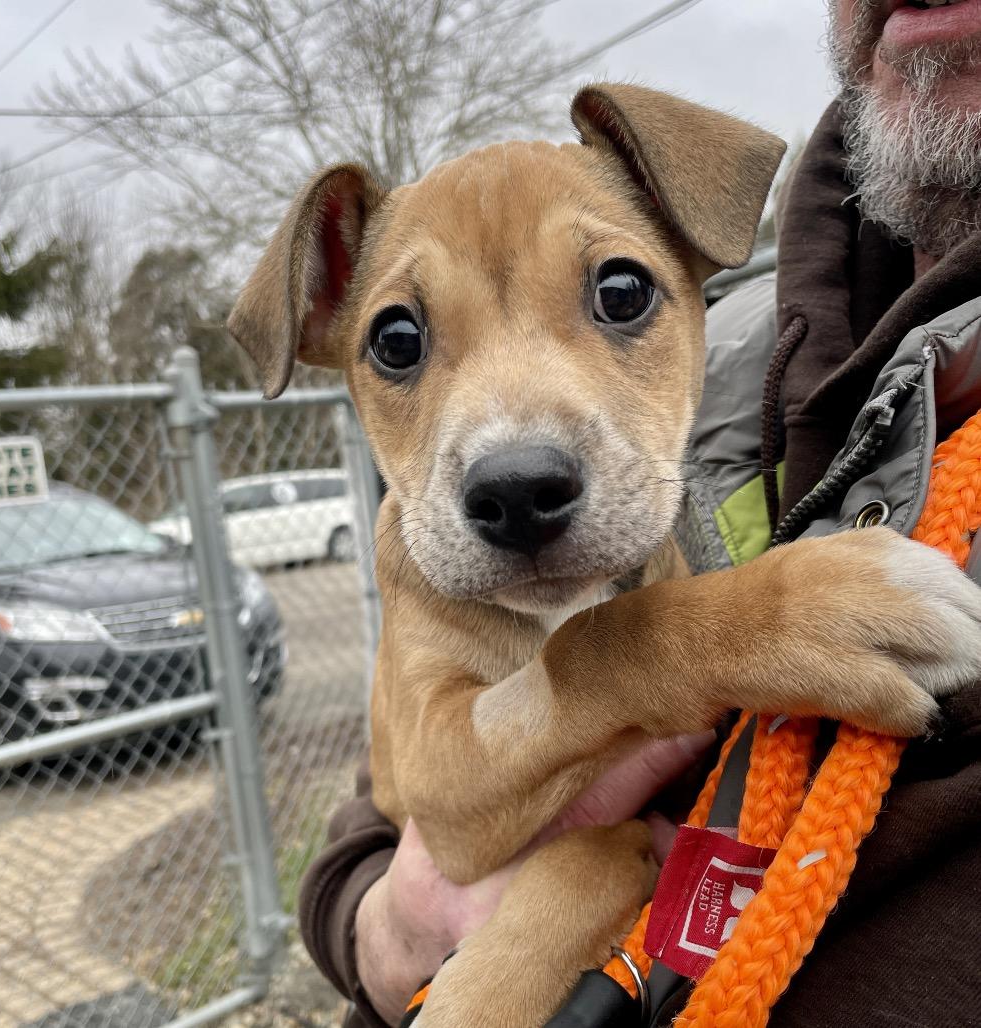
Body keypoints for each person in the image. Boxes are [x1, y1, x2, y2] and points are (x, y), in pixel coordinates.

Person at [299, 2, 981, 1024]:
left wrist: (668, 646)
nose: (508, 451)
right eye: (399, 341)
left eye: (617, 295)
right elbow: (420, 804)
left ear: (692, 253)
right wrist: (377, 925)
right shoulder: (740, 343)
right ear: (324, 322)